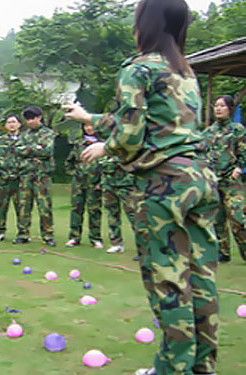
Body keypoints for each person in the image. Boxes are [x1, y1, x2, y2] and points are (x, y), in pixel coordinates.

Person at [63, 1, 220, 374]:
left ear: (144, 23)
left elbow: (130, 136)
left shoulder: (138, 68)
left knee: (168, 282)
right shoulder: (184, 71)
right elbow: (157, 123)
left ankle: (172, 369)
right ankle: (202, 367)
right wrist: (93, 119)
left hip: (164, 186)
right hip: (198, 179)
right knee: (201, 280)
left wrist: (107, 146)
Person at [203, 95, 246, 263]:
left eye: (222, 106)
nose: (218, 108)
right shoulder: (208, 132)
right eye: (216, 105)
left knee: (238, 219)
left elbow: (244, 151)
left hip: (231, 181)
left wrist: (239, 168)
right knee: (217, 219)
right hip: (213, 181)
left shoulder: (237, 129)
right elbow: (201, 154)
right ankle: (223, 252)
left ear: (230, 109)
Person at [13, 105, 56, 246]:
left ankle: (48, 235)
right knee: (24, 206)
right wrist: (35, 148)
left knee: (44, 206)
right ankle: (23, 234)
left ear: (39, 118)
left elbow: (47, 151)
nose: (30, 121)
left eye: (33, 118)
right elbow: (18, 150)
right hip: (26, 174)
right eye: (28, 119)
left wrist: (28, 150)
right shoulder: (24, 135)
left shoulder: (48, 133)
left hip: (42, 175)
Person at [96, 114, 138, 255]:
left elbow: (125, 160)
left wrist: (110, 162)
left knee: (134, 216)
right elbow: (101, 164)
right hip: (108, 183)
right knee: (112, 214)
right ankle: (116, 243)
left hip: (126, 184)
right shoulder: (105, 143)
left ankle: (143, 247)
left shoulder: (124, 141)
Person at [64, 123, 104, 249]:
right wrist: (74, 174)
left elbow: (109, 164)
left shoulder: (103, 144)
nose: (89, 128)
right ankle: (74, 237)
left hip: (95, 183)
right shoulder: (79, 144)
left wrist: (102, 181)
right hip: (79, 183)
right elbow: (69, 162)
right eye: (86, 126)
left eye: (91, 126)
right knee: (76, 209)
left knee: (94, 210)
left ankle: (95, 238)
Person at [0, 114, 23, 242]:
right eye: (9, 122)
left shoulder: (25, 139)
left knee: (21, 207)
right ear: (5, 125)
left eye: (14, 122)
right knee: (2, 207)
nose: (11, 124)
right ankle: (0, 232)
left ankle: (23, 233)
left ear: (19, 124)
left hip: (20, 179)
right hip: (4, 179)